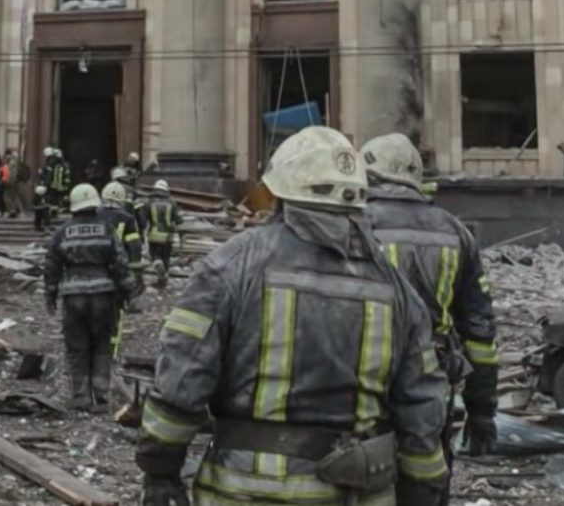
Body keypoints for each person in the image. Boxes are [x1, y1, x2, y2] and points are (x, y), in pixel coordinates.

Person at [136, 126, 450, 506]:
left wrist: (161, 470)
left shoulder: (233, 265)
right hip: (359, 491)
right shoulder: (396, 288)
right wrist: (423, 490)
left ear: (280, 192)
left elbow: (183, 377)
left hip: (246, 490)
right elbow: (422, 407)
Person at [362, 133, 499, 498]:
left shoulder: (355, 225)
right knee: (427, 472)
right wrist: (482, 410)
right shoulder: (455, 230)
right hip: (435, 378)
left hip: (366, 373)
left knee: (366, 473)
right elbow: (480, 332)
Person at [44, 183, 133, 413]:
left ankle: (81, 395)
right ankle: (101, 394)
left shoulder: (63, 232)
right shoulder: (106, 230)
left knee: (77, 346)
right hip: (103, 295)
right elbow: (120, 264)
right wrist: (126, 292)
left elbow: (52, 265)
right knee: (102, 344)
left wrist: (50, 294)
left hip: (74, 296)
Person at [144, 179, 182, 289]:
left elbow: (143, 219)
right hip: (168, 236)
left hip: (154, 234)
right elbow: (179, 220)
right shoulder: (172, 202)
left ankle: (157, 262)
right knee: (166, 257)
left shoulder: (149, 202)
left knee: (154, 254)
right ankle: (163, 283)